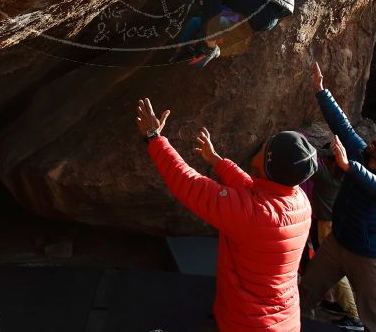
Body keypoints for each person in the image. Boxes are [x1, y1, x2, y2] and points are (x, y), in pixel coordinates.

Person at [135, 98, 316, 331]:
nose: (261, 144)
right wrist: (216, 161)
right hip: (283, 320)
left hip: (247, 324)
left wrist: (154, 137)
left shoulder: (254, 215)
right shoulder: (299, 201)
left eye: (266, 146)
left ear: (268, 162)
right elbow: (253, 189)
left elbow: (188, 183)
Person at [299, 63, 376, 332]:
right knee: (305, 292)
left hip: (368, 257)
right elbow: (342, 126)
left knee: (375, 318)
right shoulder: (362, 154)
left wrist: (349, 167)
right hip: (337, 243)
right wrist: (321, 91)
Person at [309, 148, 363, 331]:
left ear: (332, 161)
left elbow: (309, 155)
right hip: (336, 223)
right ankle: (329, 299)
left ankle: (354, 316)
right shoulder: (346, 178)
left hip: (325, 226)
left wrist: (325, 151)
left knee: (335, 271)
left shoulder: (325, 177)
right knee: (325, 266)